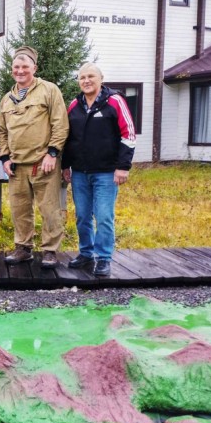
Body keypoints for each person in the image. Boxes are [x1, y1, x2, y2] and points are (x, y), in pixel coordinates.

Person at [0, 46, 69, 269]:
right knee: (19, 209)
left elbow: (60, 123)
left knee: (49, 209)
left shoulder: (49, 90)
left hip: (43, 163)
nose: (20, 71)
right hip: (16, 166)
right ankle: (23, 248)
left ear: (34, 68)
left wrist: (53, 153)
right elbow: (2, 132)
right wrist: (5, 158)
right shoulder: (6, 99)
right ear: (12, 71)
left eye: (25, 66)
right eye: (16, 67)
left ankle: (50, 250)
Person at [62, 63, 136, 277]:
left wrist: (123, 167)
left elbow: (128, 134)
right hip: (79, 173)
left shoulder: (115, 102)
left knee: (103, 216)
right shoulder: (74, 105)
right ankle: (86, 253)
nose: (86, 80)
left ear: (101, 79)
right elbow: (68, 138)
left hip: (106, 173)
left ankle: (103, 258)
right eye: (82, 77)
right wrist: (66, 165)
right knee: (83, 216)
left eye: (91, 76)